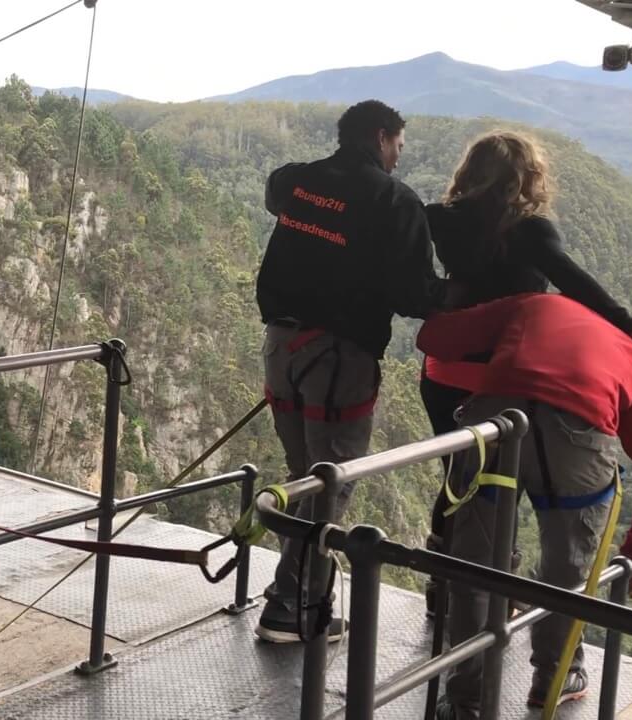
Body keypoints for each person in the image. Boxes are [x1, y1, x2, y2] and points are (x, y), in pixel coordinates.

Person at [419, 130, 632, 611]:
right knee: (510, 488)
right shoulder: (528, 229)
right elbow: (570, 278)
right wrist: (630, 327)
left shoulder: (437, 219)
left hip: (444, 370)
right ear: (527, 176)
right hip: (503, 378)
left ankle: (447, 587)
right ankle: (497, 589)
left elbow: (414, 278)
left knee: (462, 479)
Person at [416, 293, 632, 719]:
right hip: (579, 435)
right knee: (567, 565)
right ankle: (555, 679)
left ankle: (465, 697)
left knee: (475, 563)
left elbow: (434, 336)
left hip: (496, 419)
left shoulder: (536, 304)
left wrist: (502, 349)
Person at [254, 99, 449, 642]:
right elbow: (415, 294)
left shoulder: (295, 181)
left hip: (281, 345)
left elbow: (283, 197)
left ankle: (293, 596)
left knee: (303, 478)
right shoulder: (393, 199)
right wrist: (463, 295)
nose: (399, 159)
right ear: (382, 137)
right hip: (338, 357)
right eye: (399, 148)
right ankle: (293, 607)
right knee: (330, 483)